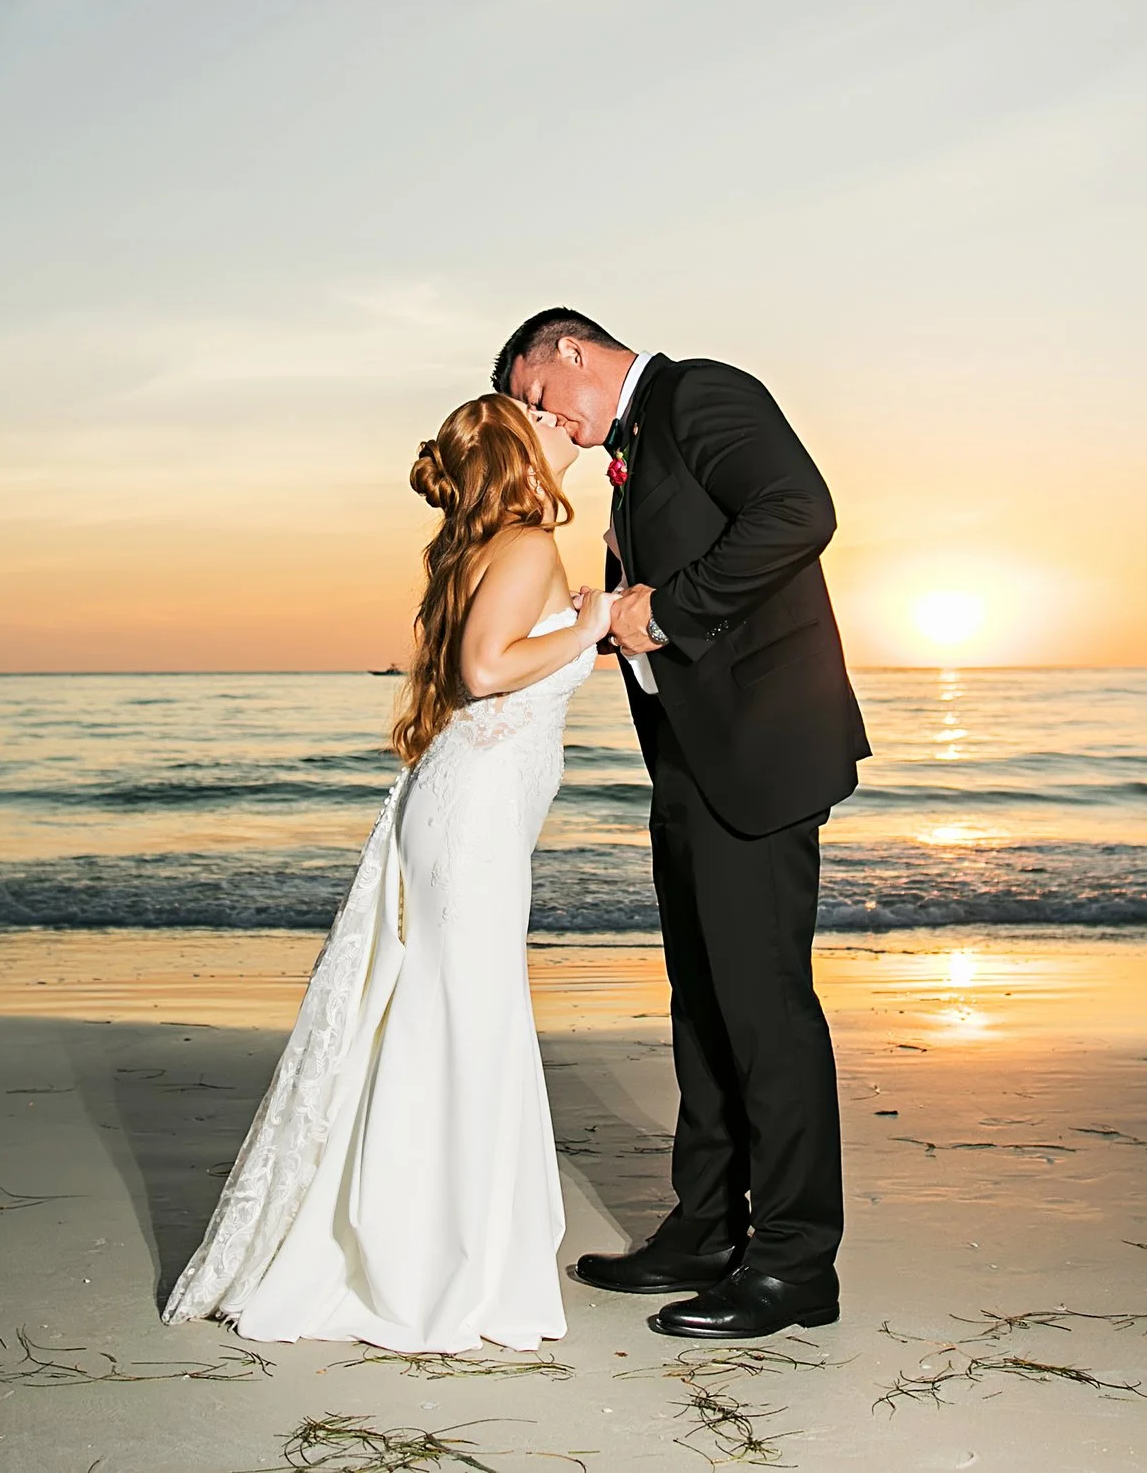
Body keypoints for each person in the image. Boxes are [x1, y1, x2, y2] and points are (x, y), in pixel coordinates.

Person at [162, 392, 614, 1353]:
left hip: (473, 811)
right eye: (543, 418)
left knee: (456, 1015)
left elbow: (495, 666)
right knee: (464, 1020)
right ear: (515, 452)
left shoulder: (502, 543)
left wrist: (579, 632)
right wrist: (590, 625)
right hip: (474, 820)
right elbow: (488, 669)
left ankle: (432, 1246)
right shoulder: (528, 541)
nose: (563, 425)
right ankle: (433, 1266)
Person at [499, 308, 870, 1340]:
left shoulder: (701, 391)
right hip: (693, 759)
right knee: (701, 1003)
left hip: (760, 752)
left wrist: (661, 611)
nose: (551, 428)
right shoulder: (638, 440)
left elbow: (799, 509)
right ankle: (706, 1226)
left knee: (764, 1009)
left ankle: (795, 1263)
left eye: (540, 399)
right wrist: (616, 619)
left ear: (569, 350)